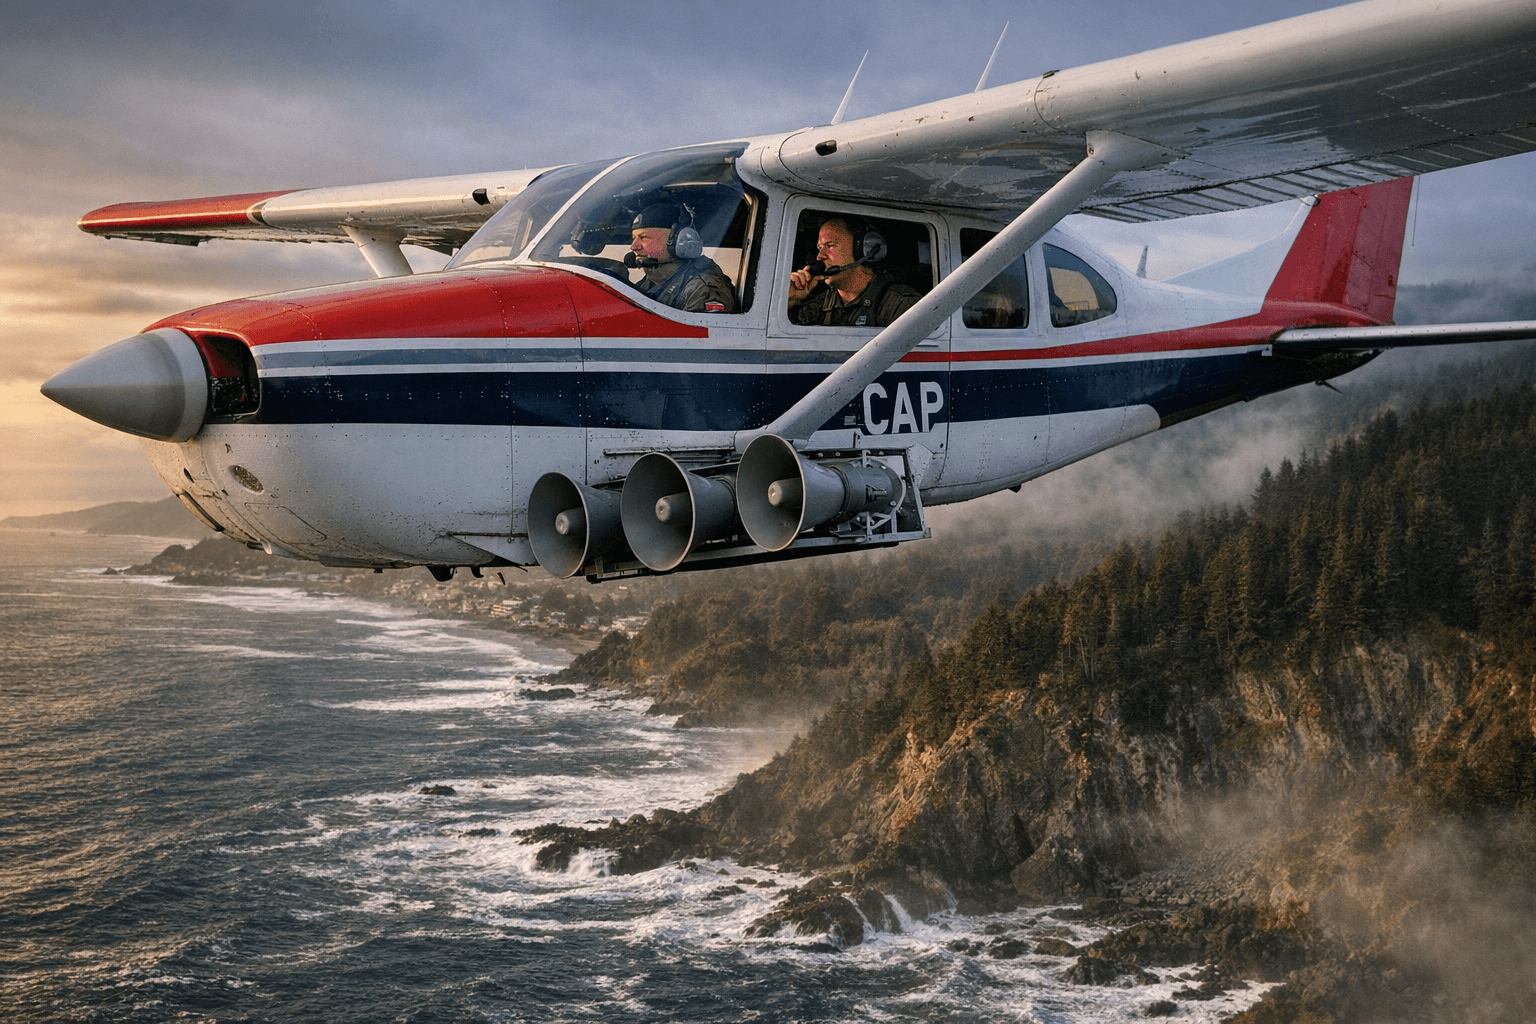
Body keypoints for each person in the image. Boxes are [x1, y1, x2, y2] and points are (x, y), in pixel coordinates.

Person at [788, 217, 921, 327]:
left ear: (863, 250)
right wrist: (791, 300)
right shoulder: (824, 302)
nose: (820, 256)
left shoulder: (900, 305)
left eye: (830, 246)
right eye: (820, 248)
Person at [627, 205, 736, 314]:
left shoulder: (703, 290)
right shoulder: (650, 282)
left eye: (644, 238)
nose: (634, 246)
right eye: (634, 238)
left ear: (678, 241)